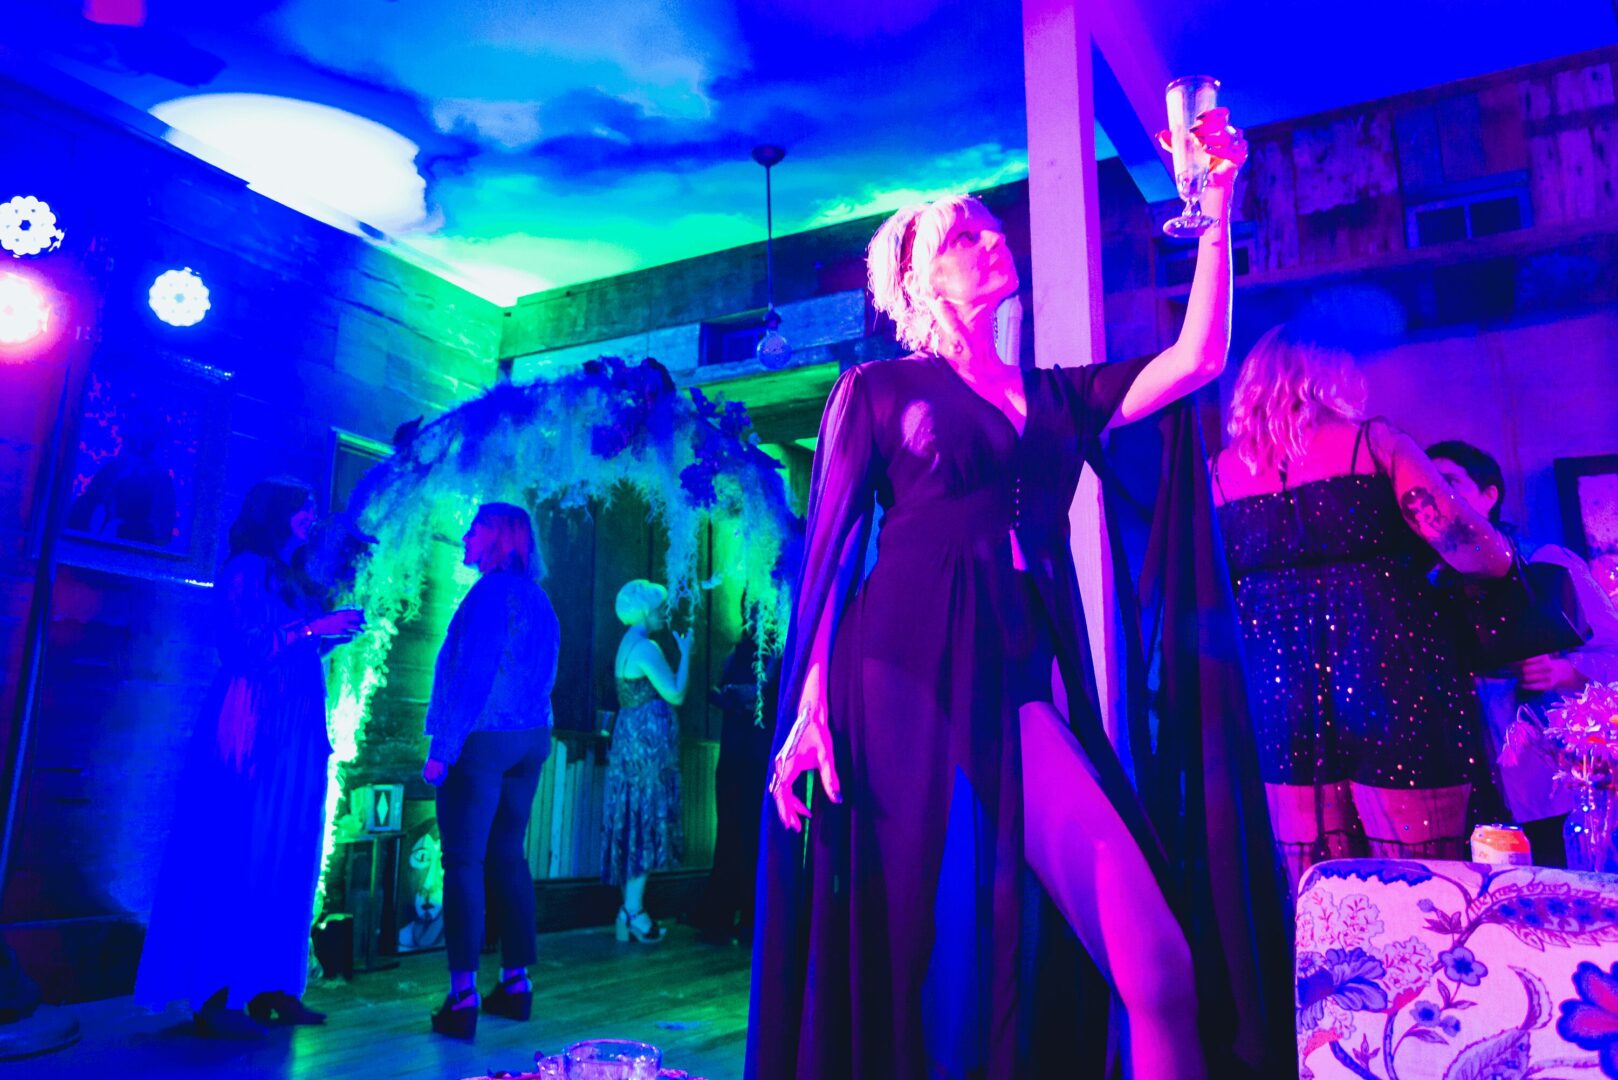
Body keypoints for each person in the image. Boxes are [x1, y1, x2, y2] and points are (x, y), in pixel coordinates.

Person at [752, 108, 1249, 1079]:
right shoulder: (878, 390)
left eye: (992, 226)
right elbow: (832, 558)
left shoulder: (1059, 396)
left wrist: (1217, 210)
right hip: (895, 676)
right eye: (964, 236)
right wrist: (809, 710)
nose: (991, 239)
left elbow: (1196, 358)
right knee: (900, 955)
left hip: (1021, 677)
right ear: (918, 281)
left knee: (1158, 970)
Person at [1210, 327, 1513, 897]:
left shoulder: (1219, 474)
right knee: (1425, 880)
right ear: (1330, 375)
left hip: (1277, 691)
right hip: (1390, 675)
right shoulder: (1374, 444)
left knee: (1313, 887)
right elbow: (1478, 555)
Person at [135, 478, 364, 1037]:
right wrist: (313, 627)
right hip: (252, 719)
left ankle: (271, 986)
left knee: (288, 849)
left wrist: (329, 634)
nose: (312, 516)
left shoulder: (293, 576)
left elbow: (292, 644)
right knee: (237, 843)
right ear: (274, 513)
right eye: (303, 508)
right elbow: (244, 648)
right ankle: (212, 990)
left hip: (294, 725)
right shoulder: (243, 570)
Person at [1428, 440, 1618, 863]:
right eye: (1428, 486)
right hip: (1460, 781)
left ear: (1489, 494)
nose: (1437, 496)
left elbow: (1612, 652)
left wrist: (1566, 671)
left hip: (1549, 781)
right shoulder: (1427, 582)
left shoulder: (1545, 564)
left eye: (1450, 482)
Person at [422, 503, 559, 1040]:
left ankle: (462, 996)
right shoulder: (539, 598)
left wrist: (444, 746)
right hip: (531, 736)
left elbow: (474, 673)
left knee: (462, 861)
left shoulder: (488, 594)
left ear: (500, 538)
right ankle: (516, 984)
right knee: (508, 857)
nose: (465, 535)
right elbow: (546, 673)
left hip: (483, 737)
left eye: (476, 528)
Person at [601, 579, 690, 945]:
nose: (663, 613)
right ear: (643, 612)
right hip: (647, 748)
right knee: (645, 821)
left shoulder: (627, 644)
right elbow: (676, 693)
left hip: (631, 740)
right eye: (657, 608)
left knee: (633, 820)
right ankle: (634, 911)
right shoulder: (646, 648)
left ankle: (629, 909)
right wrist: (687, 653)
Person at [696, 624, 777, 946]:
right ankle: (721, 914)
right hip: (734, 755)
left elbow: (768, 691)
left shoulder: (777, 652)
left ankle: (750, 917)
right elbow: (714, 690)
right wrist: (731, 698)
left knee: (751, 833)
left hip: (757, 755)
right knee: (729, 832)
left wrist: (746, 696)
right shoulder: (735, 653)